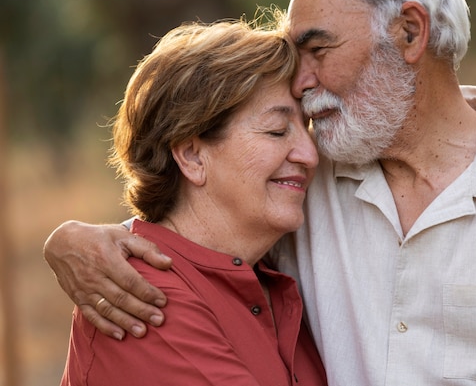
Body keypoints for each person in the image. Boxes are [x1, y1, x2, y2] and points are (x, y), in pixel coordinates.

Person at [46, 0, 476, 385]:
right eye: (280, 128)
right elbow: (200, 226)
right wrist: (76, 240)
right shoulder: (309, 182)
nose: (302, 81)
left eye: (317, 48)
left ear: (408, 32)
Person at [57, 19, 327, 386]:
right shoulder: (138, 296)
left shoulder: (274, 279)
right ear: (192, 156)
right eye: (277, 131)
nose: (310, 155)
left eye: (307, 130)